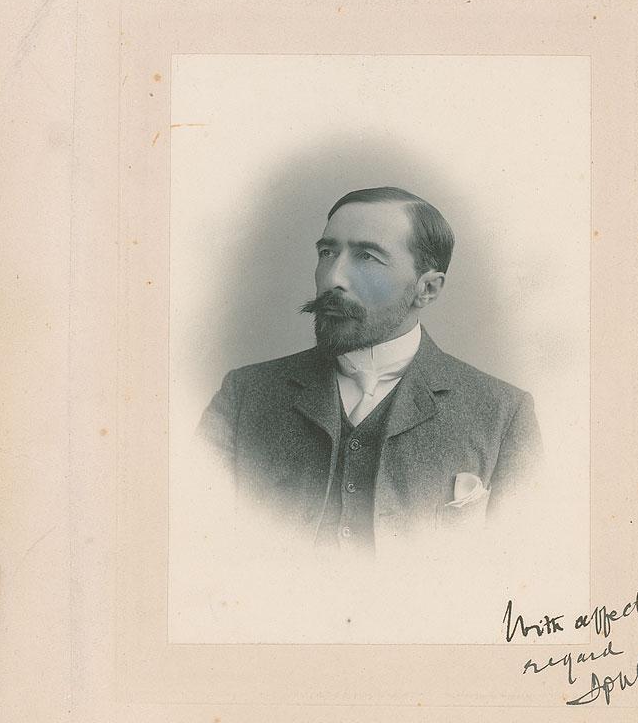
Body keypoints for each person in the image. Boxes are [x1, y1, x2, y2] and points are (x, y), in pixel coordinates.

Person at [197, 186, 541, 555]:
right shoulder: (244, 395)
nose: (333, 278)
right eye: (327, 253)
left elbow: (515, 566)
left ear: (427, 288)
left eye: (367, 257)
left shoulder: (504, 415)